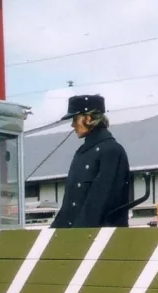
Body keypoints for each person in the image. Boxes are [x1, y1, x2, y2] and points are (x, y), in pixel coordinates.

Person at [51, 94, 131, 229]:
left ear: (88, 118)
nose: (72, 125)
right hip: (79, 237)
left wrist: (77, 235)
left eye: (75, 119)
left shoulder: (111, 151)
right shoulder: (82, 152)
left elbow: (100, 202)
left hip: (99, 239)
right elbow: (69, 207)